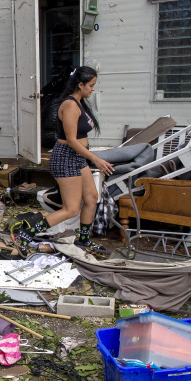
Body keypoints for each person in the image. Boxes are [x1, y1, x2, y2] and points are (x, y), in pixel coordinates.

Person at [16, 66, 114, 254]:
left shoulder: (79, 103)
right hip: (66, 158)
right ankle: (25, 234)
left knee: (92, 198)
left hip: (77, 157)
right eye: (91, 85)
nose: (93, 89)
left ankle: (84, 241)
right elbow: (70, 140)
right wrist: (96, 159)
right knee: (71, 209)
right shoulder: (69, 105)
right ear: (80, 84)